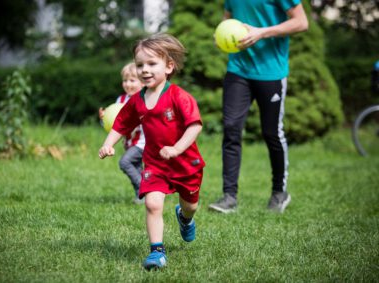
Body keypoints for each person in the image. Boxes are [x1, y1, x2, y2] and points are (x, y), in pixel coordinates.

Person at [99, 33, 205, 270]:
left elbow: (195, 125)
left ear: (169, 66)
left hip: (186, 163)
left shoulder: (178, 96)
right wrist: (108, 144)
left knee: (191, 205)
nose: (144, 70)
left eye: (151, 64)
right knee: (153, 204)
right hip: (156, 164)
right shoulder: (136, 100)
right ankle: (157, 252)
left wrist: (177, 148)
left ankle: (185, 218)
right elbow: (121, 124)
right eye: (139, 65)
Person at [209, 0, 309, 214]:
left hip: (271, 72)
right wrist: (221, 35)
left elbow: (301, 22)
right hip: (238, 69)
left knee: (272, 132)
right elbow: (228, 18)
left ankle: (279, 192)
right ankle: (229, 196)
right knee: (231, 128)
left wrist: (262, 32)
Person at [99, 62, 145, 204]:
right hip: (129, 143)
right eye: (125, 80)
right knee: (136, 169)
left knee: (125, 162)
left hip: (143, 142)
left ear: (143, 83)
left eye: (132, 80)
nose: (127, 84)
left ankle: (146, 191)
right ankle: (141, 197)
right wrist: (104, 119)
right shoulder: (120, 100)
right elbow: (115, 122)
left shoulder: (144, 98)